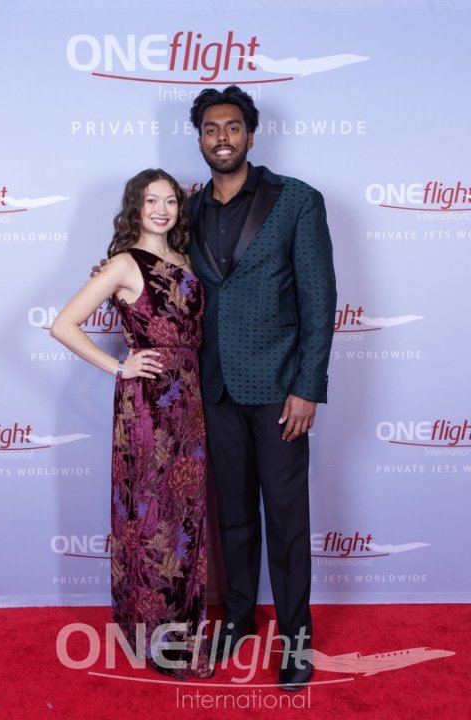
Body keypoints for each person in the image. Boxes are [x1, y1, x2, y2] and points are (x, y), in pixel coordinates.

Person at [187, 86, 337, 689]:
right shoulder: (189, 209)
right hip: (215, 388)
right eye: (210, 129)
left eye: (232, 127)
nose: (221, 138)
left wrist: (308, 387)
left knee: (286, 521)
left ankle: (296, 639)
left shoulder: (296, 199)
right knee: (233, 518)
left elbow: (319, 301)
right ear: (200, 139)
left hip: (280, 390)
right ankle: (240, 618)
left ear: (251, 134)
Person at [51, 168, 211, 679]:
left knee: (185, 518)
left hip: (189, 401)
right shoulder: (123, 263)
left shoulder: (185, 259)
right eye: (151, 201)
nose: (162, 210)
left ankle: (180, 627)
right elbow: (63, 325)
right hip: (147, 404)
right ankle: (159, 639)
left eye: (171, 201)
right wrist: (120, 366)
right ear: (135, 208)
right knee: (152, 518)